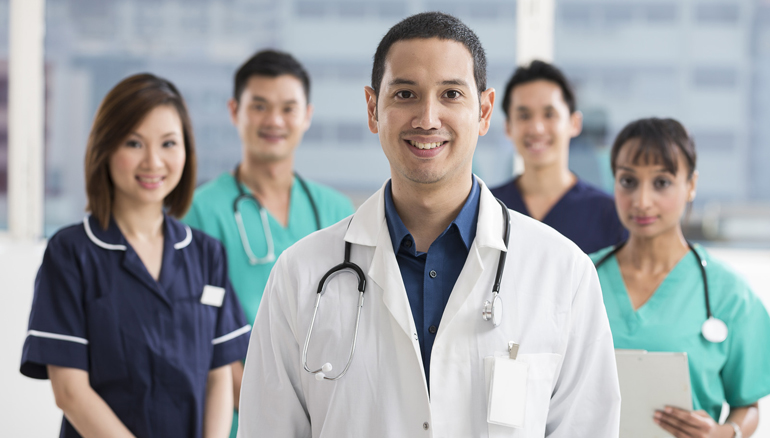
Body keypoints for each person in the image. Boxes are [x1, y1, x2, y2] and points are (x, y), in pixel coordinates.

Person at [238, 12, 620, 437]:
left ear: (485, 111)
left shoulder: (562, 273)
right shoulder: (301, 273)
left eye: (452, 94)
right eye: (405, 94)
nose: (427, 118)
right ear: (372, 108)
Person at [20, 74, 250, 438]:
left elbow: (220, 375)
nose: (153, 161)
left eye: (169, 143)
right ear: (106, 149)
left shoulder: (206, 254)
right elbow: (70, 392)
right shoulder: (71, 253)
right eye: (134, 143)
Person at [590, 118, 770, 438]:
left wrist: (726, 433)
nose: (642, 201)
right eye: (628, 181)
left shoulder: (727, 292)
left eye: (661, 183)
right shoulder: (581, 277)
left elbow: (748, 405)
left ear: (691, 185)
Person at [182, 50, 354, 434]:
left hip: (328, 415)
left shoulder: (337, 210)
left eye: (288, 108)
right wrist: (274, 408)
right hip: (238, 418)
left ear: (307, 115)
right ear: (234, 110)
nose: (274, 120)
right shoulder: (199, 213)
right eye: (259, 106)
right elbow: (199, 333)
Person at [490, 60, 627, 254]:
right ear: (508, 128)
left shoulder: (609, 215)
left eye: (549, 114)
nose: (537, 128)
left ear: (574, 123)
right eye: (524, 116)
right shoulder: (487, 208)